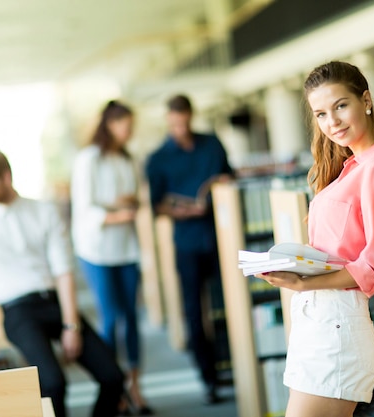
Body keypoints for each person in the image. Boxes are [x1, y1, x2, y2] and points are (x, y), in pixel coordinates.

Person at [255, 61, 374, 417]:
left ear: (366, 100)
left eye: (340, 106)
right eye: (321, 113)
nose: (332, 122)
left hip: (338, 329)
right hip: (318, 324)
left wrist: (306, 283)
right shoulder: (351, 168)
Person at [0, 148, 124, 417]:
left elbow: (63, 272)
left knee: (113, 377)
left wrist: (71, 325)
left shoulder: (44, 212)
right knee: (53, 383)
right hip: (17, 312)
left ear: (6, 177)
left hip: (53, 302)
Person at [144, 94, 234, 404]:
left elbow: (228, 176)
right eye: (173, 124)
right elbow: (157, 206)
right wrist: (180, 211)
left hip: (222, 238)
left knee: (230, 304)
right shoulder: (157, 159)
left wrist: (218, 186)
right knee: (195, 311)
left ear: (191, 117)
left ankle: (235, 365)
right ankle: (208, 378)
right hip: (187, 244)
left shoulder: (212, 144)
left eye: (184, 122)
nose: (179, 129)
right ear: (167, 121)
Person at [70, 100, 152, 415]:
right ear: (109, 124)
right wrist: (116, 213)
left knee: (131, 317)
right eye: (124, 125)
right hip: (97, 250)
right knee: (109, 317)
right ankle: (113, 387)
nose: (128, 132)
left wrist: (126, 203)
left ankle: (135, 387)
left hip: (126, 249)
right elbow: (85, 207)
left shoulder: (127, 159)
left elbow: (132, 198)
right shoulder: (89, 159)